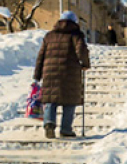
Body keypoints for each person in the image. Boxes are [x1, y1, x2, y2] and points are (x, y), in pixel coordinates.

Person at [33, 10, 91, 139]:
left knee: (50, 100)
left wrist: (37, 74)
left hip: (50, 73)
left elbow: (40, 56)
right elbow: (81, 50)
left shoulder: (49, 36)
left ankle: (49, 123)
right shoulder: (76, 35)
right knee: (69, 101)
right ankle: (65, 129)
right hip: (70, 72)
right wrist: (85, 64)